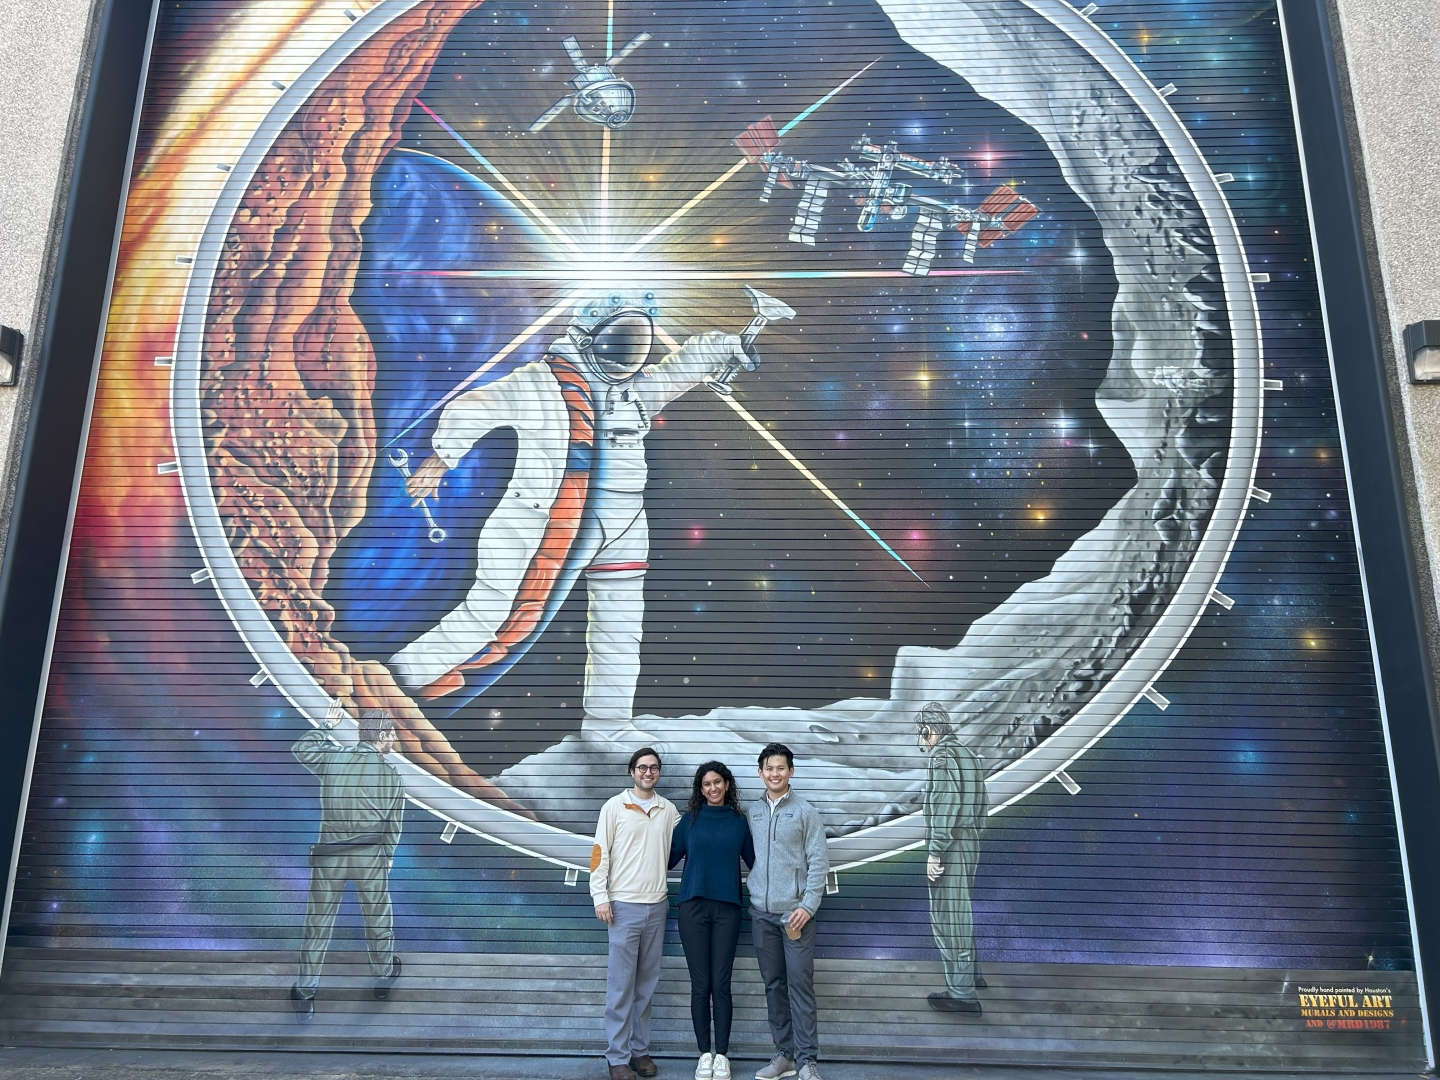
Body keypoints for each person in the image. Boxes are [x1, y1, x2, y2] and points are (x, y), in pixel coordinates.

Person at [390, 291, 753, 727]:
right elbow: (477, 406)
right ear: (588, 335)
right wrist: (441, 457)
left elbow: (683, 365)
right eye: (621, 340)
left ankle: (609, 724)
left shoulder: (634, 393)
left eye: (638, 343)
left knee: (619, 630)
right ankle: (396, 682)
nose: (629, 355)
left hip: (622, 526)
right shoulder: (541, 384)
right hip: (542, 521)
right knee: (489, 618)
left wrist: (726, 346)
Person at [290, 703, 406, 1022]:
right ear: (381, 736)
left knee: (318, 924)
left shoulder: (334, 757)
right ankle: (383, 975)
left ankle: (305, 992)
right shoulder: (391, 775)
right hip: (370, 858)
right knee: (378, 921)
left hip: (329, 855)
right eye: (391, 733)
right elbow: (393, 825)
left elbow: (301, 748)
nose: (394, 738)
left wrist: (327, 724)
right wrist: (389, 857)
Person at [591, 747, 681, 1080]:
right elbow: (599, 854)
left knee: (646, 985)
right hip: (622, 907)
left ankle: (640, 1052)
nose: (648, 773)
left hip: (658, 906)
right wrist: (600, 896)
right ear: (632, 772)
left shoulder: (667, 810)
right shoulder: (614, 807)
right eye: (642, 767)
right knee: (620, 986)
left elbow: (685, 844)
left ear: (658, 773)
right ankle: (617, 1057)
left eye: (654, 768)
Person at [747, 743, 829, 1080]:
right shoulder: (751, 812)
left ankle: (808, 1060)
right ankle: (785, 1055)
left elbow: (818, 862)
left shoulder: (806, 812)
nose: (775, 773)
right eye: (769, 768)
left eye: (781, 768)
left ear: (791, 771)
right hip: (761, 915)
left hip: (795, 917)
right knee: (774, 986)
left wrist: (807, 906)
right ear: (760, 773)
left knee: (799, 985)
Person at [670, 762, 755, 1080]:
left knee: (721, 985)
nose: (712, 788)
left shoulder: (739, 822)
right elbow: (665, 858)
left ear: (728, 784)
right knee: (700, 985)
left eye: (717, 782)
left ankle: (723, 1055)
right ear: (700, 789)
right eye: (706, 784)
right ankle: (704, 1054)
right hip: (692, 907)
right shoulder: (688, 821)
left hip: (728, 910)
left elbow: (758, 864)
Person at [916, 702, 988, 1015]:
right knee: (963, 909)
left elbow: (944, 804)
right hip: (969, 840)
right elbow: (982, 803)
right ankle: (971, 974)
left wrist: (936, 850)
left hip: (951, 845)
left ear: (929, 730)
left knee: (949, 917)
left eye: (920, 733)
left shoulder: (941, 757)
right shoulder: (968, 754)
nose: (920, 741)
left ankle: (962, 993)